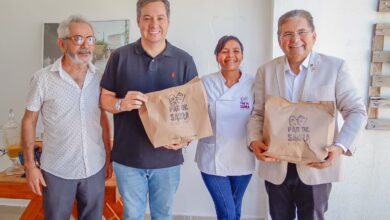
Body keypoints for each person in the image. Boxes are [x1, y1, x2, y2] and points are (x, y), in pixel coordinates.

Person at [246, 9, 367, 220]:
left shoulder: (335, 68)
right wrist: (254, 140)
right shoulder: (265, 70)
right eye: (287, 34)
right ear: (279, 39)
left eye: (302, 32)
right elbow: (257, 113)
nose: (295, 39)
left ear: (314, 36)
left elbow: (356, 111)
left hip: (316, 166)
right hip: (276, 166)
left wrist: (339, 147)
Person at [100, 0, 198, 219]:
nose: (154, 24)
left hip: (167, 161)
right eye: (147, 18)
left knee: (162, 215)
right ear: (138, 21)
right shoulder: (119, 57)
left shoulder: (184, 60)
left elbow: (195, 110)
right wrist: (121, 103)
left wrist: (186, 140)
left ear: (168, 22)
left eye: (160, 18)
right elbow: (104, 99)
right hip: (128, 159)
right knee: (132, 215)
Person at [21, 15, 112, 220]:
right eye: (78, 38)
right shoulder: (42, 79)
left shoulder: (99, 77)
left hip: (94, 166)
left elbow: (102, 118)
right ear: (62, 44)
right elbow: (29, 121)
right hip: (57, 170)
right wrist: (30, 165)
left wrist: (108, 156)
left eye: (90, 39)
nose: (86, 45)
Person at [195, 35, 255, 220]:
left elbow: (262, 117)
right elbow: (191, 113)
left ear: (242, 56)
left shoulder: (254, 84)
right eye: (224, 51)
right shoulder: (204, 83)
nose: (230, 55)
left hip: (243, 158)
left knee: (235, 209)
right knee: (228, 213)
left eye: (236, 51)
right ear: (217, 56)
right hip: (213, 159)